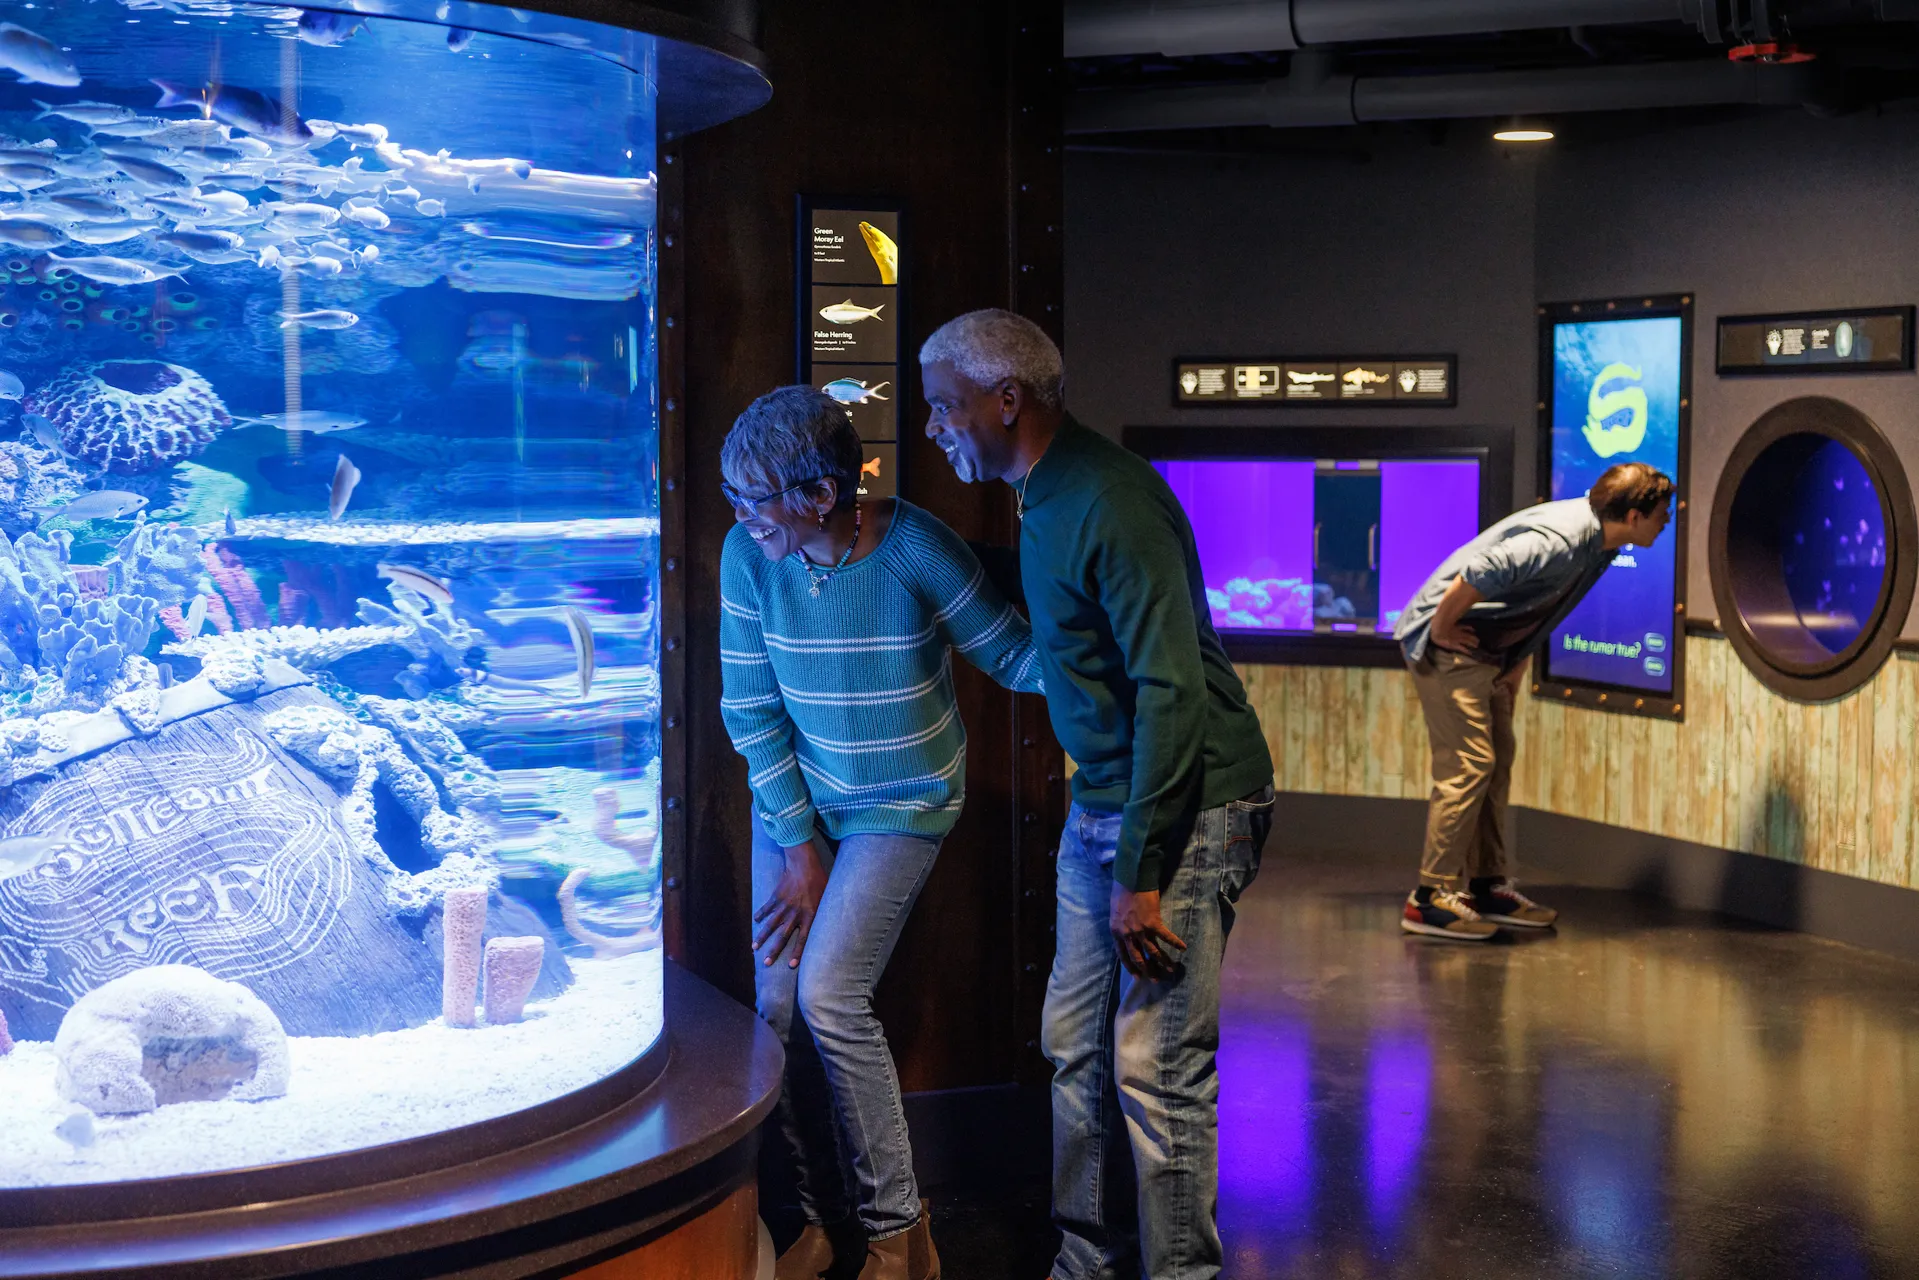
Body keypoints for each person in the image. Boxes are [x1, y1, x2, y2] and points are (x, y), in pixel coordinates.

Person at [919, 310, 1275, 1280]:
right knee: (1072, 1043)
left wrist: (1142, 870)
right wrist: (916, 541)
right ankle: (1087, 1258)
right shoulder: (1044, 494)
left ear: (1007, 399)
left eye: (944, 406)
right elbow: (1055, 596)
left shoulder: (1108, 499)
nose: (932, 427)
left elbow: (1172, 692)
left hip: (1188, 808)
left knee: (1153, 1066)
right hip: (1107, 799)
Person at [720, 385, 1045, 1280]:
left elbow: (1015, 656)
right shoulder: (750, 557)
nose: (742, 518)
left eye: (755, 499)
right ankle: (818, 1225)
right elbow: (749, 710)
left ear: (821, 495)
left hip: (899, 804)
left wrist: (1132, 651)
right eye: (734, 499)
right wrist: (797, 847)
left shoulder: (916, 548)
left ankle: (901, 1235)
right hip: (798, 803)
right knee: (776, 1008)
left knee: (829, 997)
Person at [1392, 462, 1675, 941]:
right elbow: (1482, 569)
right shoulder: (1561, 540)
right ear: (1631, 515)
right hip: (1449, 645)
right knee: (1468, 765)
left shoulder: (1601, 543)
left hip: (1491, 652)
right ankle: (1429, 898)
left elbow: (1547, 599)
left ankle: (1486, 885)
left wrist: (1516, 657)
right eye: (1660, 514)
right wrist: (1440, 628)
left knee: (1497, 761)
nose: (1666, 521)